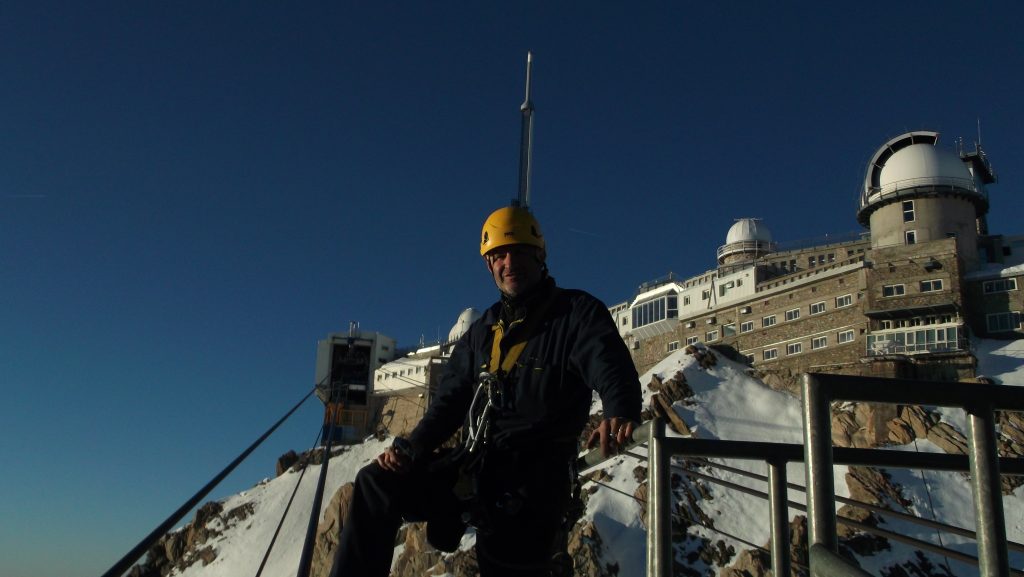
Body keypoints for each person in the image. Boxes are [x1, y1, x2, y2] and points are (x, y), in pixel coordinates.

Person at [329, 206, 641, 577]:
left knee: (509, 562)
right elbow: (449, 403)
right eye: (498, 255)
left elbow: (607, 362)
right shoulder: (483, 332)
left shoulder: (575, 314)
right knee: (376, 484)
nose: (509, 263)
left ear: (539, 255)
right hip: (474, 467)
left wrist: (619, 409)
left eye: (519, 251)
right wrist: (412, 448)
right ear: (489, 264)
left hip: (533, 476)